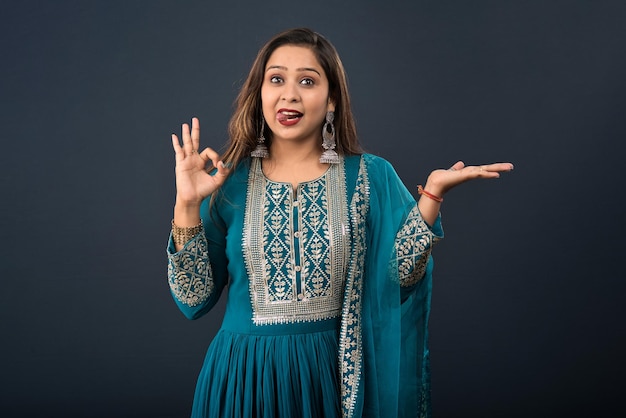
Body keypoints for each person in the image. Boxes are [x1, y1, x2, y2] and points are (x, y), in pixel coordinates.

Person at [167, 27, 513, 418]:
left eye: (308, 81)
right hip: (244, 380)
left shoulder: (371, 176)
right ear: (260, 93)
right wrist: (187, 204)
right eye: (276, 79)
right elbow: (193, 302)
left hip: (332, 379)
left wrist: (431, 196)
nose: (290, 94)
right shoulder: (226, 183)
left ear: (331, 99)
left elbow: (398, 280)